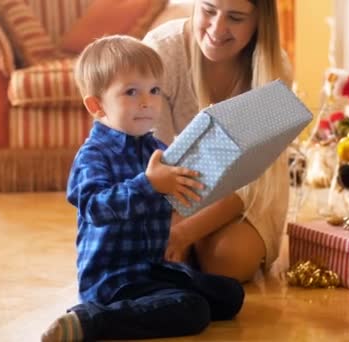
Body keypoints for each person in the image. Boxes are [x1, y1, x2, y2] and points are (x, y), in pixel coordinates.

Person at [41, 35, 245, 342]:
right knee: (193, 310)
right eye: (131, 92)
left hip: (151, 267)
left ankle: (152, 302)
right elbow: (95, 206)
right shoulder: (93, 155)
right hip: (113, 279)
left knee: (230, 295)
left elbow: (179, 194)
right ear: (97, 105)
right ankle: (92, 320)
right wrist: (148, 185)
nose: (147, 102)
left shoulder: (155, 148)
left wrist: (203, 167)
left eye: (154, 90)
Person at [143, 0, 295, 282]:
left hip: (245, 198)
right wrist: (170, 224)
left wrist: (183, 233)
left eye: (236, 18)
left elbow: (254, 185)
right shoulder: (161, 51)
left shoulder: (274, 70)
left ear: (259, 22)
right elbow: (152, 161)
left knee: (227, 261)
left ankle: (194, 249)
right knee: (153, 249)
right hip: (176, 189)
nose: (217, 28)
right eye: (209, 10)